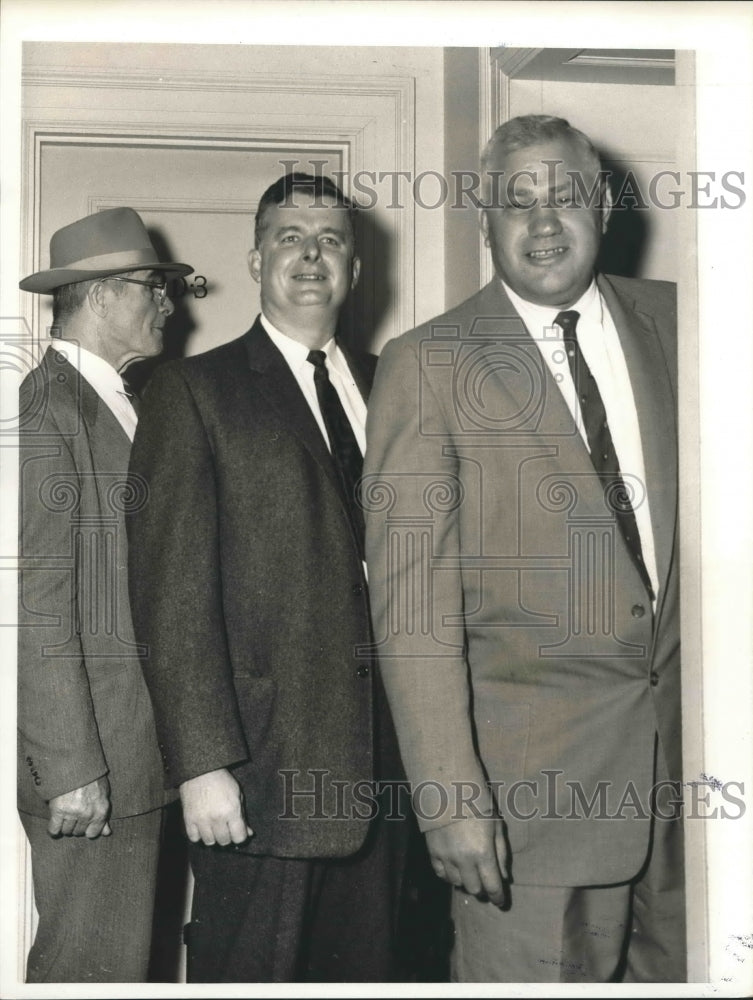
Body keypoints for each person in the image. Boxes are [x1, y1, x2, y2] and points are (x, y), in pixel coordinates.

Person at [363, 115, 684, 983]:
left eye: (565, 196)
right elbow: (413, 615)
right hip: (528, 815)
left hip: (698, 797)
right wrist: (449, 801)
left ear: (603, 209)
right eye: (516, 201)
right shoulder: (425, 364)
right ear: (484, 223)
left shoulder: (685, 322)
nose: (544, 221)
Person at [126, 173, 415, 983]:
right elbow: (170, 594)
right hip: (262, 776)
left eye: (330, 240)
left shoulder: (399, 385)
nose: (310, 255)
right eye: (289, 237)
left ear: (355, 268)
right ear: (256, 261)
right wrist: (200, 764)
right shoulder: (192, 391)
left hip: (393, 770)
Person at [17, 207, 193, 982]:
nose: (168, 303)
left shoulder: (121, 400)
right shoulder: (46, 409)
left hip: (136, 757)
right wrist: (70, 767)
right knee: (89, 973)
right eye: (152, 286)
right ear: (97, 294)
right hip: (96, 768)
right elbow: (36, 601)